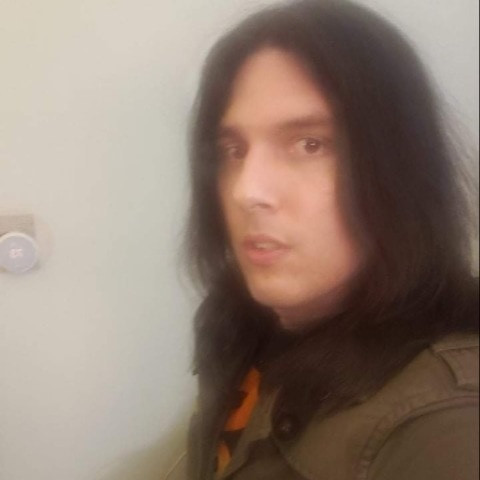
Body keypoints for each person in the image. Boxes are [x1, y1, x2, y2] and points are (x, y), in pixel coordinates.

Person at [171, 1, 479, 479]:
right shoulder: (237, 318)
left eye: (309, 144)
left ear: (399, 168)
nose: (246, 190)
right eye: (233, 149)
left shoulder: (445, 429)